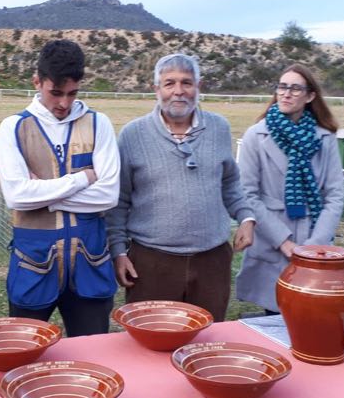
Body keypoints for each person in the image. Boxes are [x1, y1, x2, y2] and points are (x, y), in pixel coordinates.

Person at [108, 52, 255, 321]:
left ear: (198, 86)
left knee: (208, 337)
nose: (178, 91)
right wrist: (118, 252)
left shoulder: (219, 128)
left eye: (186, 83)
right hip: (151, 263)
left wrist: (246, 218)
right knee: (153, 338)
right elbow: (119, 200)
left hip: (212, 262)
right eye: (169, 83)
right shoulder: (132, 135)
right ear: (156, 89)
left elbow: (230, 182)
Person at [0, 39, 120, 336]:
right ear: (37, 82)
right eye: (56, 93)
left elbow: (108, 195)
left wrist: (43, 196)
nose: (64, 103)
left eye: (72, 93)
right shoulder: (14, 127)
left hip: (90, 265)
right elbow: (16, 196)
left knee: (91, 354)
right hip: (33, 265)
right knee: (26, 353)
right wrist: (82, 179)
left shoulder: (98, 123)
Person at [235, 63, 344, 313]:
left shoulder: (325, 138)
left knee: (312, 316)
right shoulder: (256, 136)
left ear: (310, 96)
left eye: (295, 89)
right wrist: (284, 243)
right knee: (275, 315)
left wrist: (315, 246)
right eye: (282, 87)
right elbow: (248, 195)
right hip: (273, 241)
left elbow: (334, 196)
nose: (286, 93)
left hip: (315, 244)